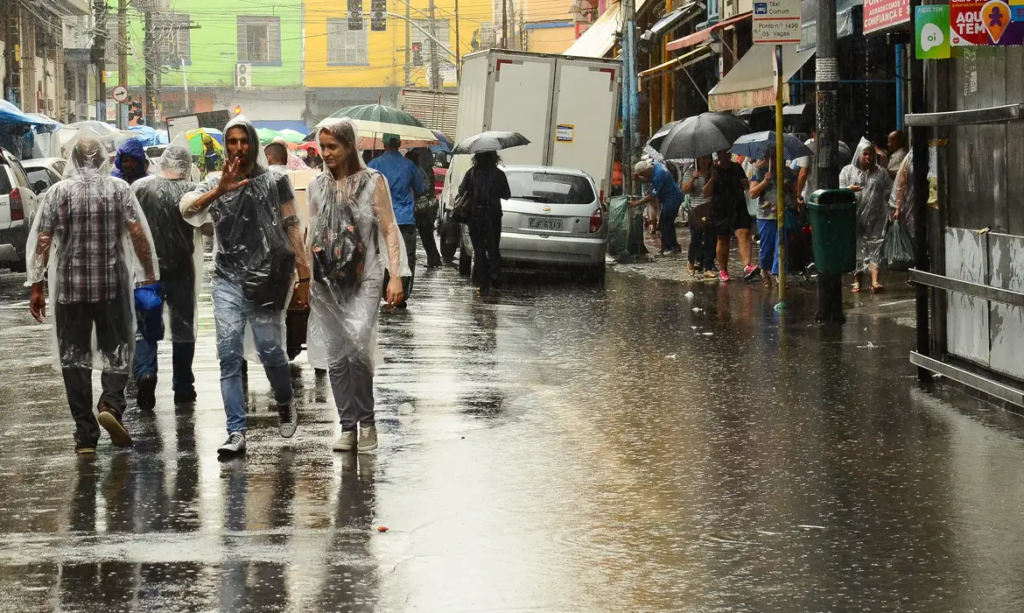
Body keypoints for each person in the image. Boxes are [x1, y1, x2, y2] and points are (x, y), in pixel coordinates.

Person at [180, 116, 311, 456]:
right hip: (227, 280)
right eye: (233, 141)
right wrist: (219, 191)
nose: (239, 148)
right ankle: (235, 430)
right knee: (228, 355)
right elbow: (186, 209)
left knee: (271, 350)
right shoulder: (214, 180)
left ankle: (284, 400)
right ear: (226, 145)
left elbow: (291, 224)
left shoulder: (275, 181)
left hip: (267, 280)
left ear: (253, 143)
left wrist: (304, 274)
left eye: (244, 141)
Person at [26, 133, 158, 454]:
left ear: (72, 159)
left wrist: (37, 285)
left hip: (70, 292)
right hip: (112, 287)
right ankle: (111, 406)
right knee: (117, 349)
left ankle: (86, 435)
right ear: (104, 159)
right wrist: (149, 275)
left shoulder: (57, 194)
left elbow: (43, 239)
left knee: (75, 360)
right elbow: (137, 232)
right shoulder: (119, 190)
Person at [305, 118, 409, 453]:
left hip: (365, 278)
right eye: (322, 147)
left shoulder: (372, 183)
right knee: (337, 356)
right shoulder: (317, 186)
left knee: (358, 350)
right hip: (327, 281)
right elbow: (313, 234)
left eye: (333, 146)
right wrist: (306, 278)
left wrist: (396, 274)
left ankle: (368, 424)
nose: (326, 153)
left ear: (350, 146)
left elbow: (389, 229)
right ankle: (347, 427)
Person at [130, 144, 204, 409]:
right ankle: (183, 386)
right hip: (181, 268)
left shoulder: (139, 187)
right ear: (187, 166)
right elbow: (205, 227)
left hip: (146, 271)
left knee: (144, 325)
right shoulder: (190, 192)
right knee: (183, 327)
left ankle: (146, 372)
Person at [368, 134, 425, 307]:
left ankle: (385, 290)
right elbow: (420, 188)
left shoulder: (373, 166)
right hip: (405, 218)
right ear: (400, 144)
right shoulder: (409, 165)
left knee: (382, 256)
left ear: (383, 144)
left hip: (380, 220)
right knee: (406, 256)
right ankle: (402, 294)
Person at [840, 138, 893, 294]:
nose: (868, 158)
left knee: (876, 246)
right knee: (857, 248)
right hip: (854, 217)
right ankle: (857, 281)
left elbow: (890, 190)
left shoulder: (881, 172)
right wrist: (849, 189)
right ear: (859, 155)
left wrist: (893, 209)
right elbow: (839, 190)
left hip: (877, 217)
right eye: (865, 154)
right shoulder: (847, 171)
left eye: (870, 155)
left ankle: (875, 281)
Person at [457, 150, 511, 295]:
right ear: (494, 157)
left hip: (475, 216)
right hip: (493, 216)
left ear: (477, 157)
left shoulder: (472, 173)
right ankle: (495, 277)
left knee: (479, 249)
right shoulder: (499, 174)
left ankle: (483, 282)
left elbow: (461, 191)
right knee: (493, 247)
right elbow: (507, 195)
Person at [749, 152, 798, 288]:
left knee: (782, 244)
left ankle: (778, 274)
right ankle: (764, 271)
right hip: (766, 215)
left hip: (784, 213)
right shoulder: (760, 171)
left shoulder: (788, 173)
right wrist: (765, 181)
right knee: (766, 247)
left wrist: (795, 203)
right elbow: (752, 193)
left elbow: (793, 192)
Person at [706, 150, 753, 281]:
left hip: (738, 205)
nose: (726, 156)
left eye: (728, 153)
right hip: (721, 208)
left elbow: (745, 185)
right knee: (723, 238)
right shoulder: (713, 170)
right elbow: (706, 192)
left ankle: (747, 266)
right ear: (718, 155)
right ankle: (723, 270)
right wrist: (712, 179)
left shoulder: (737, 167)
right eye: (723, 154)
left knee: (744, 232)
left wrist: (746, 184)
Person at [631, 159, 683, 255]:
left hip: (672, 199)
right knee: (666, 223)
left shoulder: (659, 174)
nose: (644, 177)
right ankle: (671, 246)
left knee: (665, 223)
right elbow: (651, 181)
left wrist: (636, 203)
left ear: (645, 171)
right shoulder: (655, 165)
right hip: (670, 198)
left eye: (643, 174)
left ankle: (670, 247)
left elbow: (651, 196)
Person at [406, 149, 444, 268]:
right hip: (423, 207)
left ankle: (433, 259)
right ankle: (433, 259)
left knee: (425, 234)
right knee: (426, 235)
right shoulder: (421, 169)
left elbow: (424, 186)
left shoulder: (417, 170)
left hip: (420, 207)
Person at [681, 155, 716, 277]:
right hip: (696, 210)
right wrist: (693, 178)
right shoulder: (690, 171)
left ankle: (708, 267)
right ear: (698, 159)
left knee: (710, 239)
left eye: (707, 158)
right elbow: (685, 190)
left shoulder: (713, 171)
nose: (705, 161)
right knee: (696, 238)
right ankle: (691, 261)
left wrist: (712, 178)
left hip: (710, 208)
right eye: (703, 158)